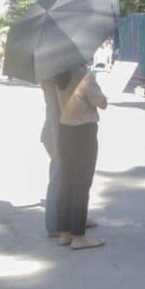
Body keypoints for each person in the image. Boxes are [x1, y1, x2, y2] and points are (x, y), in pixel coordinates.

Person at [54, 64, 107, 250]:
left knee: (67, 182)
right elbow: (102, 102)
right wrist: (95, 83)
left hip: (65, 130)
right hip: (83, 131)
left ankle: (64, 232)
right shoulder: (84, 76)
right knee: (82, 184)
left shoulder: (58, 74)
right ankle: (78, 236)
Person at [41, 76, 97, 238]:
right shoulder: (54, 78)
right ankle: (54, 225)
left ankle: (73, 221)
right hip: (59, 133)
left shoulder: (57, 74)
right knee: (60, 177)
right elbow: (53, 112)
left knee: (70, 178)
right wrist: (58, 145)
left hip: (64, 132)